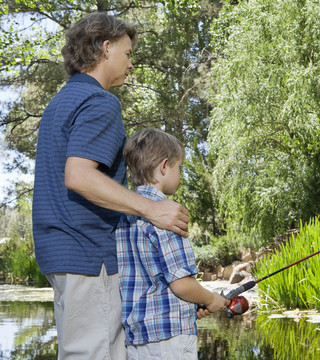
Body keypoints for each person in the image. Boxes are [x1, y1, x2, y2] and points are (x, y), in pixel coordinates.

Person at [32, 13, 189, 359]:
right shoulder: (100, 101)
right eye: (128, 53)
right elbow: (79, 176)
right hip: (88, 253)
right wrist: (152, 208)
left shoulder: (59, 102)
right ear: (106, 48)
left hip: (60, 254)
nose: (130, 64)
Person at [116, 128, 229, 360]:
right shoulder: (168, 215)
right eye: (179, 167)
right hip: (170, 339)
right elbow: (181, 284)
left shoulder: (123, 215)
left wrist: (191, 306)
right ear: (164, 166)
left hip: (137, 337)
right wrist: (211, 299)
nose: (180, 174)